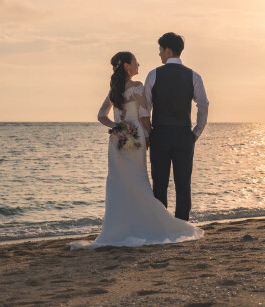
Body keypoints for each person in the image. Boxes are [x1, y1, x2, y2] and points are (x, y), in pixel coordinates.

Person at [70, 51, 202, 250]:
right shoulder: (137, 86)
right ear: (126, 66)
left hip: (117, 140)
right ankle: (151, 223)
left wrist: (117, 127)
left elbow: (101, 115)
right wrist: (149, 135)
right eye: (135, 62)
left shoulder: (114, 90)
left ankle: (121, 227)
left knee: (120, 183)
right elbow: (144, 116)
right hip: (135, 138)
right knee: (139, 181)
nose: (138, 64)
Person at [144, 32, 209, 221]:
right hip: (183, 134)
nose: (159, 54)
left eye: (160, 50)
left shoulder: (153, 74)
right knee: (183, 184)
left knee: (159, 184)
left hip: (160, 134)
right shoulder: (193, 76)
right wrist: (196, 132)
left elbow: (145, 109)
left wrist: (149, 133)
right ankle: (182, 224)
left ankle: (161, 224)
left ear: (168, 50)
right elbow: (203, 105)